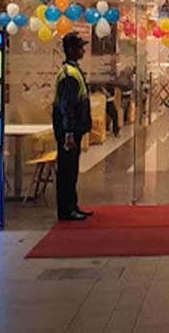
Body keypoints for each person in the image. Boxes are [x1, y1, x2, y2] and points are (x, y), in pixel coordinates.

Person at [52, 34, 93, 221]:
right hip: (68, 132)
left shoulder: (74, 71)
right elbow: (67, 106)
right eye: (79, 48)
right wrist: (69, 132)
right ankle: (66, 210)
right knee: (67, 171)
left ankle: (72, 205)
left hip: (74, 130)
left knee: (72, 169)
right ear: (70, 50)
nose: (82, 51)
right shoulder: (68, 75)